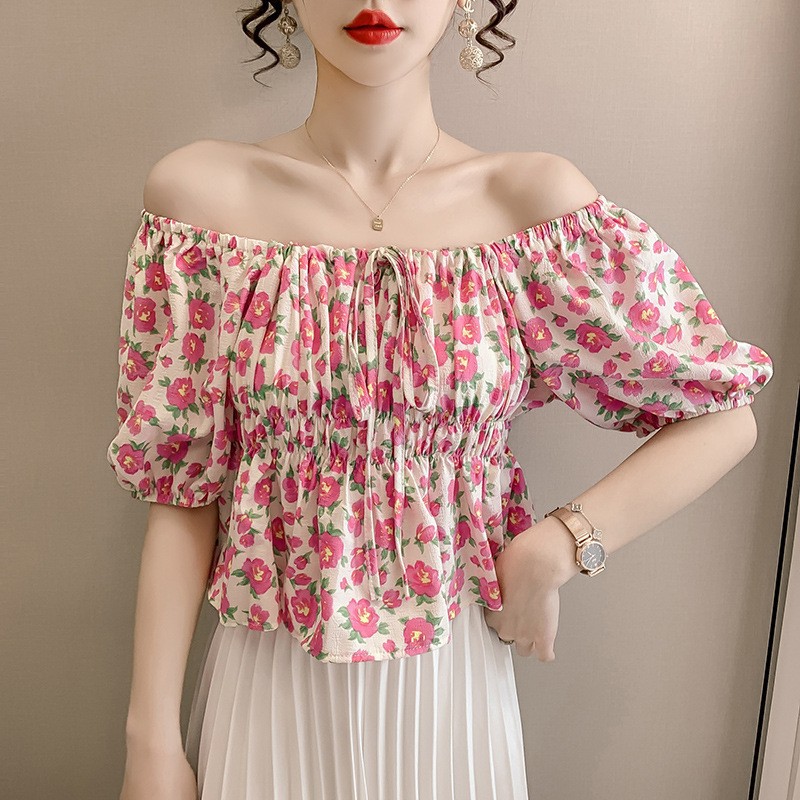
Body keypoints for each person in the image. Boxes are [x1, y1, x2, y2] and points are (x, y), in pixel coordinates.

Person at [107, 2, 775, 799]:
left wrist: (558, 547)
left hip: (450, 679)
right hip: (271, 670)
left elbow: (723, 414)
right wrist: (150, 741)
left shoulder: (530, 204)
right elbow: (182, 485)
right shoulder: (200, 202)